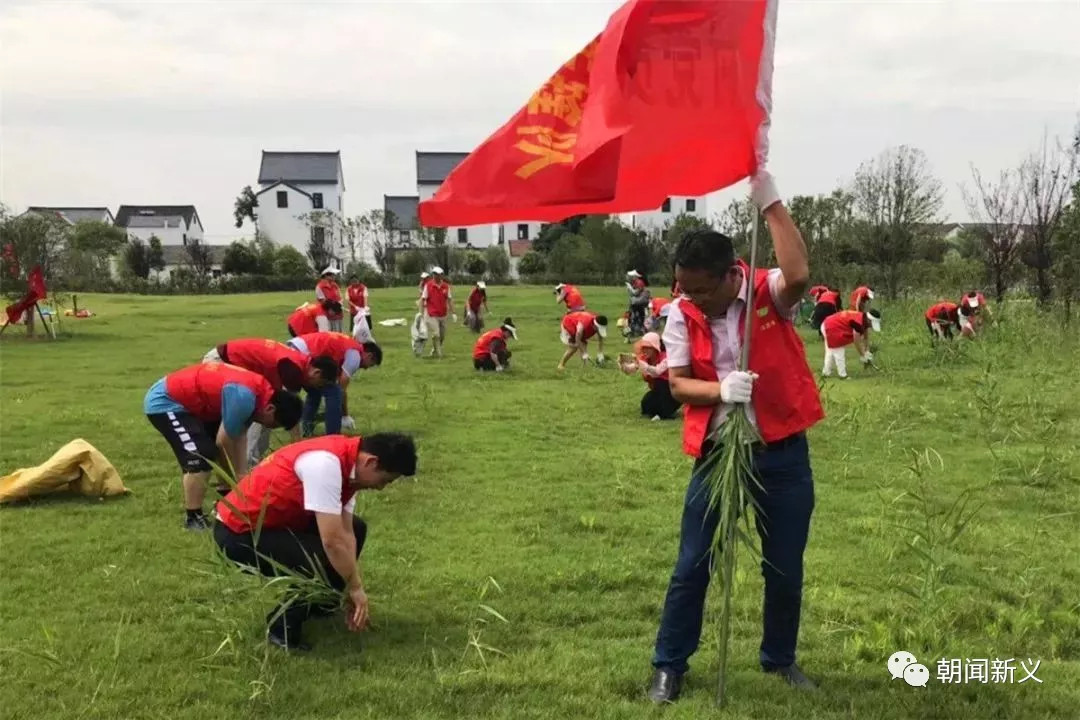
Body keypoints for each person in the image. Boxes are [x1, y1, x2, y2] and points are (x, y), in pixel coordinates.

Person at [647, 171, 825, 704]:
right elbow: (678, 385)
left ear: (732, 275)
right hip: (718, 454)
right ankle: (669, 665)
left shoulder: (768, 293)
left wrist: (770, 202)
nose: (693, 300)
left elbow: (799, 274)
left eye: (703, 289)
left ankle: (779, 658)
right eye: (685, 289)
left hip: (780, 456)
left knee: (784, 567)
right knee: (693, 563)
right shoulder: (682, 313)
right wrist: (721, 390)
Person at [213, 432, 417, 650]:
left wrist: (353, 585)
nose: (381, 487)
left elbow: (347, 533)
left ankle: (322, 602)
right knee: (322, 558)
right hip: (239, 533)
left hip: (277, 523)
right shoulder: (325, 465)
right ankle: (281, 627)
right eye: (385, 480)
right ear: (371, 462)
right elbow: (332, 541)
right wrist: (356, 588)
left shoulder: (351, 467)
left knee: (357, 530)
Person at [144, 362, 302, 530]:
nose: (270, 427)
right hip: (166, 402)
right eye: (274, 424)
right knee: (200, 455)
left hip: (198, 405)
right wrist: (237, 477)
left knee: (218, 453)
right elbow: (224, 442)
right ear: (270, 409)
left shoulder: (260, 395)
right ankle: (193, 518)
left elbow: (239, 435)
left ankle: (225, 502)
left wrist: (241, 476)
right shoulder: (244, 398)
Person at [203, 339, 341, 467]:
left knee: (267, 413)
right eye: (321, 384)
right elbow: (289, 410)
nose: (318, 387)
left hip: (234, 367)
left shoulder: (299, 362)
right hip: (221, 363)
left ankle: (250, 460)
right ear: (316, 373)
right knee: (262, 414)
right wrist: (297, 445)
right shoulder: (292, 370)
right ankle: (246, 462)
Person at [287, 332, 382, 437]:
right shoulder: (355, 356)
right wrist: (345, 415)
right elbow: (342, 386)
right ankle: (333, 436)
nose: (366, 368)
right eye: (371, 364)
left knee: (315, 391)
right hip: (303, 353)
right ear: (369, 355)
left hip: (294, 347)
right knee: (334, 393)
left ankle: (306, 430)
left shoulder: (349, 345)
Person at [618, 332, 680, 420]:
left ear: (655, 347)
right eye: (643, 347)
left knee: (662, 385)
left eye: (647, 347)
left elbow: (658, 371)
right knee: (646, 405)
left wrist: (645, 366)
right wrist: (625, 367)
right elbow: (634, 367)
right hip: (658, 389)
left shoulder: (666, 357)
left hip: (672, 389)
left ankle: (666, 413)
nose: (644, 350)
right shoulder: (646, 359)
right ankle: (662, 411)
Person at [820, 309, 882, 378]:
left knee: (830, 352)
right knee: (839, 353)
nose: (871, 326)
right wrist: (862, 355)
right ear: (869, 320)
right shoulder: (858, 323)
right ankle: (843, 375)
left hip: (828, 323)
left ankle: (825, 373)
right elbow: (856, 341)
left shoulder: (864, 319)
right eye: (872, 324)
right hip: (832, 327)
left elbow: (866, 337)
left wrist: (867, 351)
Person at [422, 266, 455, 358]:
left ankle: (434, 351)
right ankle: (439, 354)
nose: (436, 276)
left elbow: (449, 300)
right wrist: (421, 313)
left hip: (442, 314)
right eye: (434, 274)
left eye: (438, 274)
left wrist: (453, 313)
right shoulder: (428, 285)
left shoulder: (446, 286)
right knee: (436, 334)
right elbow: (423, 299)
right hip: (431, 314)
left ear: (442, 275)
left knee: (442, 335)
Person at [626, 270, 652, 339]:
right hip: (638, 303)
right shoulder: (636, 282)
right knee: (638, 317)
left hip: (639, 303)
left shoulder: (639, 282)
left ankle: (637, 331)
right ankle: (637, 331)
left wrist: (630, 288)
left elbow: (636, 293)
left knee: (637, 317)